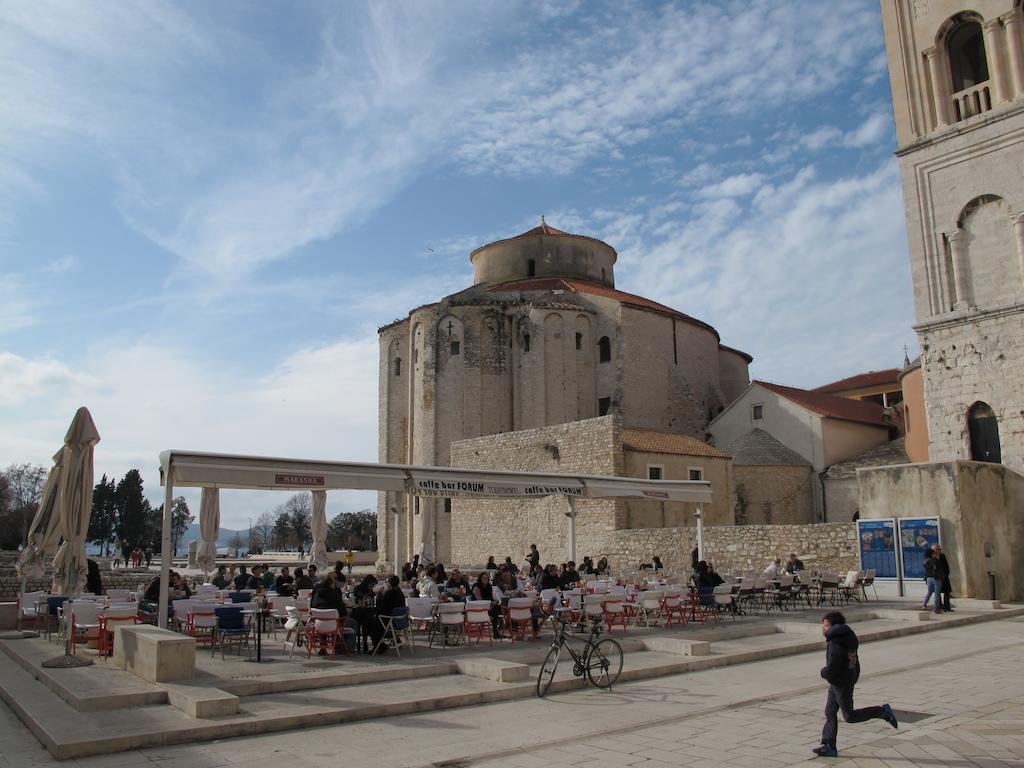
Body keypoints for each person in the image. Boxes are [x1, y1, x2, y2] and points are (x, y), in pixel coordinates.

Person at [812, 611, 897, 757]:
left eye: (826, 625)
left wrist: (823, 672)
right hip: (841, 681)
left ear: (833, 626)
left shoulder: (835, 643)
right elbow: (854, 661)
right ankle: (829, 745)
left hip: (841, 682)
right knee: (830, 712)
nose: (823, 628)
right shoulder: (847, 637)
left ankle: (882, 711)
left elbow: (833, 667)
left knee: (849, 716)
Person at [371, 575, 407, 654]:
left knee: (372, 623)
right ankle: (392, 637)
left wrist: (379, 594)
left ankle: (380, 645)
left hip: (390, 620)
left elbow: (381, 607)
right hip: (400, 620)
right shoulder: (400, 593)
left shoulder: (387, 594)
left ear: (389, 584)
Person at [472, 572, 503, 640]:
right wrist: (491, 603)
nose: (485, 579)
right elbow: (479, 600)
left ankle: (497, 630)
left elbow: (490, 598)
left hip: (488, 606)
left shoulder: (489, 586)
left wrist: (494, 602)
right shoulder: (476, 587)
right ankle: (495, 631)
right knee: (496, 610)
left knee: (498, 608)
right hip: (478, 607)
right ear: (480, 579)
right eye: (483, 578)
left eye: (487, 578)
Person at [932, 544, 953, 612]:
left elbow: (946, 566)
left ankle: (947, 607)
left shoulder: (942, 556)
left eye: (940, 549)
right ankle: (940, 606)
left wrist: (946, 573)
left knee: (947, 591)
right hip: (937, 577)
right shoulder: (931, 558)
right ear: (934, 550)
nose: (939, 551)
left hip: (944, 576)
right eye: (937, 549)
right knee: (938, 592)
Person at [922, 548, 943, 614]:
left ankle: (924, 605)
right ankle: (936, 609)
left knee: (929, 592)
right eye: (934, 553)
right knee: (937, 594)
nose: (935, 554)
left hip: (928, 578)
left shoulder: (925, 561)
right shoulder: (935, 560)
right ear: (932, 554)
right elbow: (940, 568)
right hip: (936, 578)